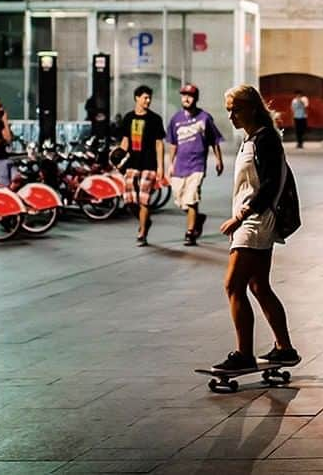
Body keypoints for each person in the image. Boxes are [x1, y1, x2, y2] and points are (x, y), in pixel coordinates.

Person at [213, 84, 299, 373]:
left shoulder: (265, 140)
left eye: (235, 109)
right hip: (253, 220)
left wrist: (241, 216)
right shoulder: (251, 139)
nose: (231, 116)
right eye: (228, 111)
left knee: (233, 285)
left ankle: (243, 354)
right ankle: (284, 349)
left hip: (255, 222)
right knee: (258, 285)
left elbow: (270, 184)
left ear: (251, 107)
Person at [167, 84, 225, 246]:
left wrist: (218, 160)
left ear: (196, 98)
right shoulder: (176, 119)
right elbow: (173, 143)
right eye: (184, 95)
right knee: (180, 199)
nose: (186, 98)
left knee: (191, 198)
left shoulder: (204, 118)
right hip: (180, 165)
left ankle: (190, 232)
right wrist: (170, 164)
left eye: (190, 96)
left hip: (197, 165)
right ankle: (197, 218)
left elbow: (214, 141)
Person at [118, 85, 166, 246]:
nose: (148, 100)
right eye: (145, 97)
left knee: (144, 200)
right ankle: (145, 220)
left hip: (149, 164)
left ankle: (142, 232)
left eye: (149, 98)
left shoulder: (155, 119)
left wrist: (160, 167)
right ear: (136, 98)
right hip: (132, 163)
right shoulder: (128, 118)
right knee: (129, 200)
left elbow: (159, 144)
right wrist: (119, 158)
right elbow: (125, 141)